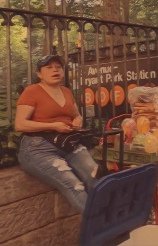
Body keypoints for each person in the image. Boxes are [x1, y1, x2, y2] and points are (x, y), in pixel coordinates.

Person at [15, 55, 99, 213]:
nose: (55, 70)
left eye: (58, 67)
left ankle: (113, 221)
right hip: (38, 148)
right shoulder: (32, 91)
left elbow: (76, 115)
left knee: (94, 176)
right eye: (49, 67)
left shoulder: (66, 91)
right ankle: (100, 227)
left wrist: (77, 120)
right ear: (39, 74)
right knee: (75, 186)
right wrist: (53, 125)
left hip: (67, 143)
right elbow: (20, 124)